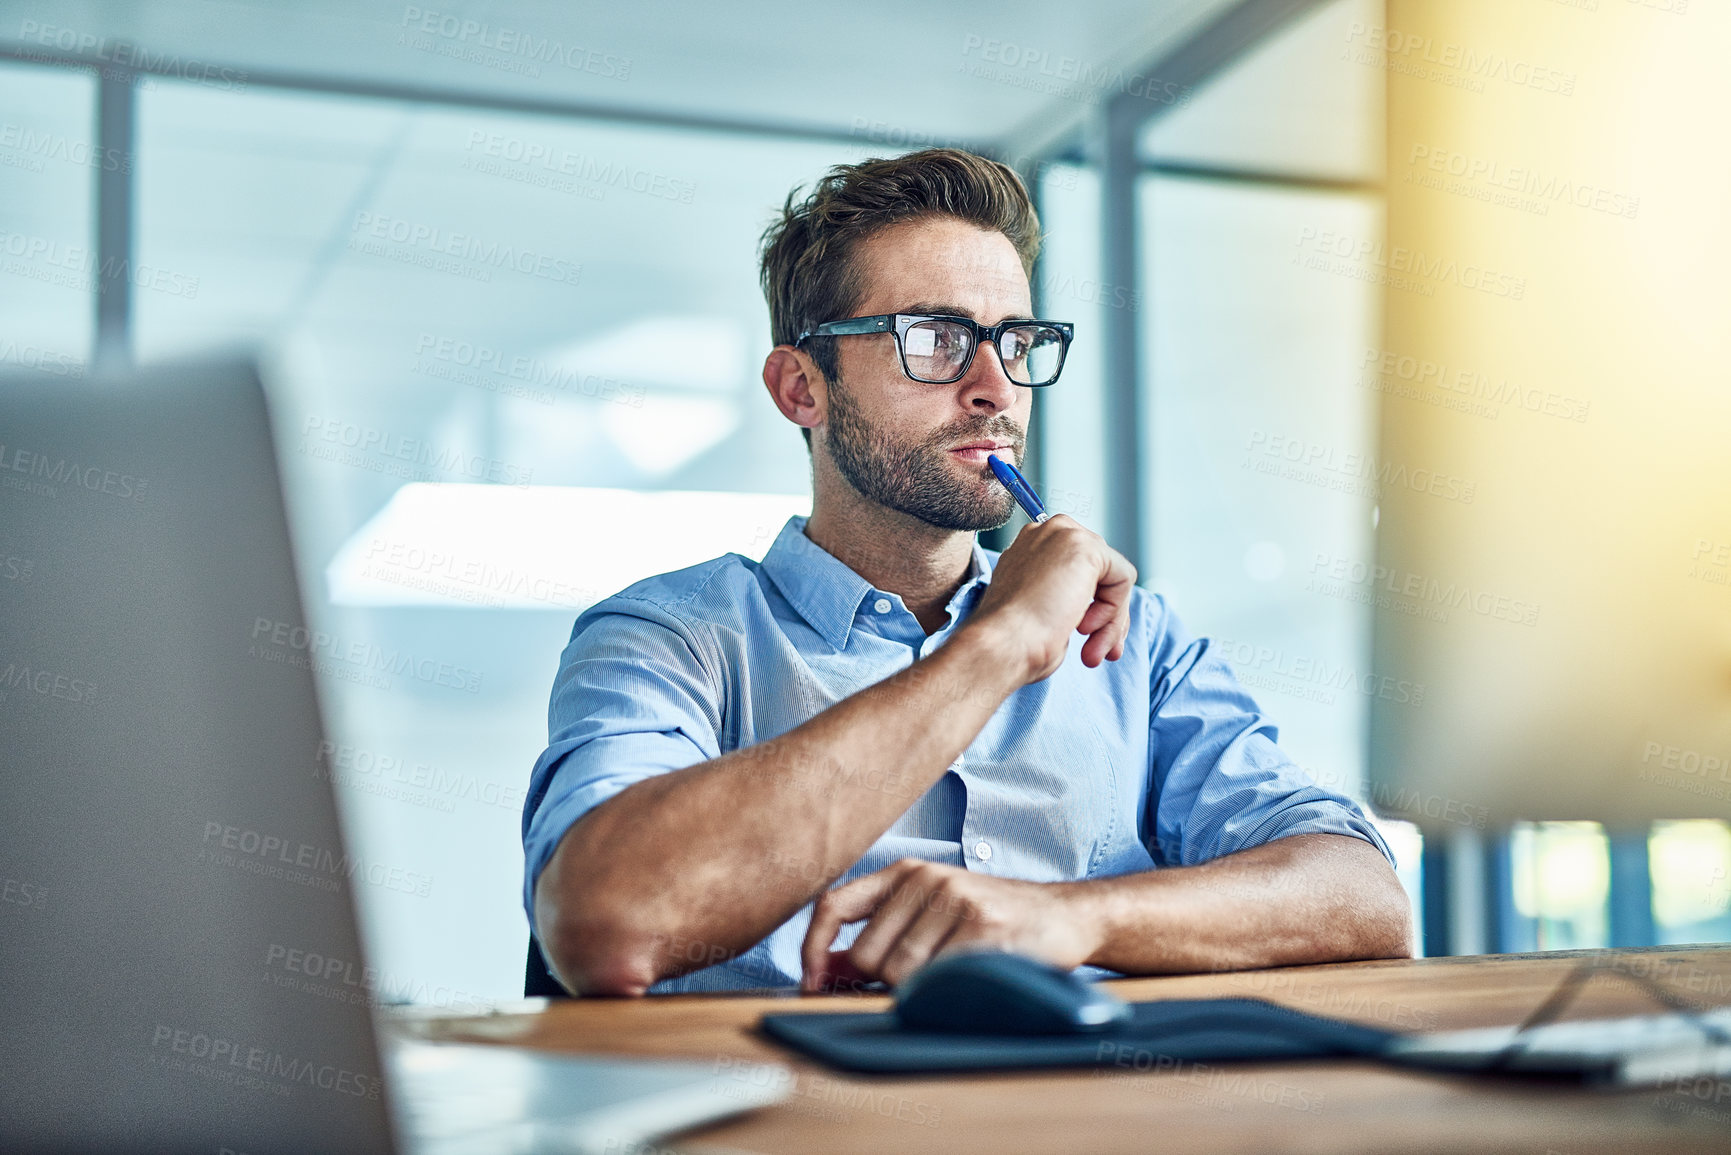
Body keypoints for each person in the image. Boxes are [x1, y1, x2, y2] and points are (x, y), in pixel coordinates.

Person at [522, 148, 1412, 997]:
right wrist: (1002, 644)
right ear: (801, 388)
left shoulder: (1136, 647)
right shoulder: (670, 636)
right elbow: (604, 924)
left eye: (1015, 342)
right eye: (935, 337)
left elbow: (1363, 895)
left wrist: (1066, 919)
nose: (995, 387)